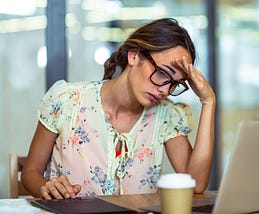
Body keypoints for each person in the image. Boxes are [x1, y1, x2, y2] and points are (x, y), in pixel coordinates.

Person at [21, 18, 216, 199]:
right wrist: (47, 187)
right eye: (163, 73)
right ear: (134, 56)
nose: (165, 89)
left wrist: (208, 102)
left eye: (175, 84)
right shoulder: (66, 99)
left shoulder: (168, 115)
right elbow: (31, 172)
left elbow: (196, 185)